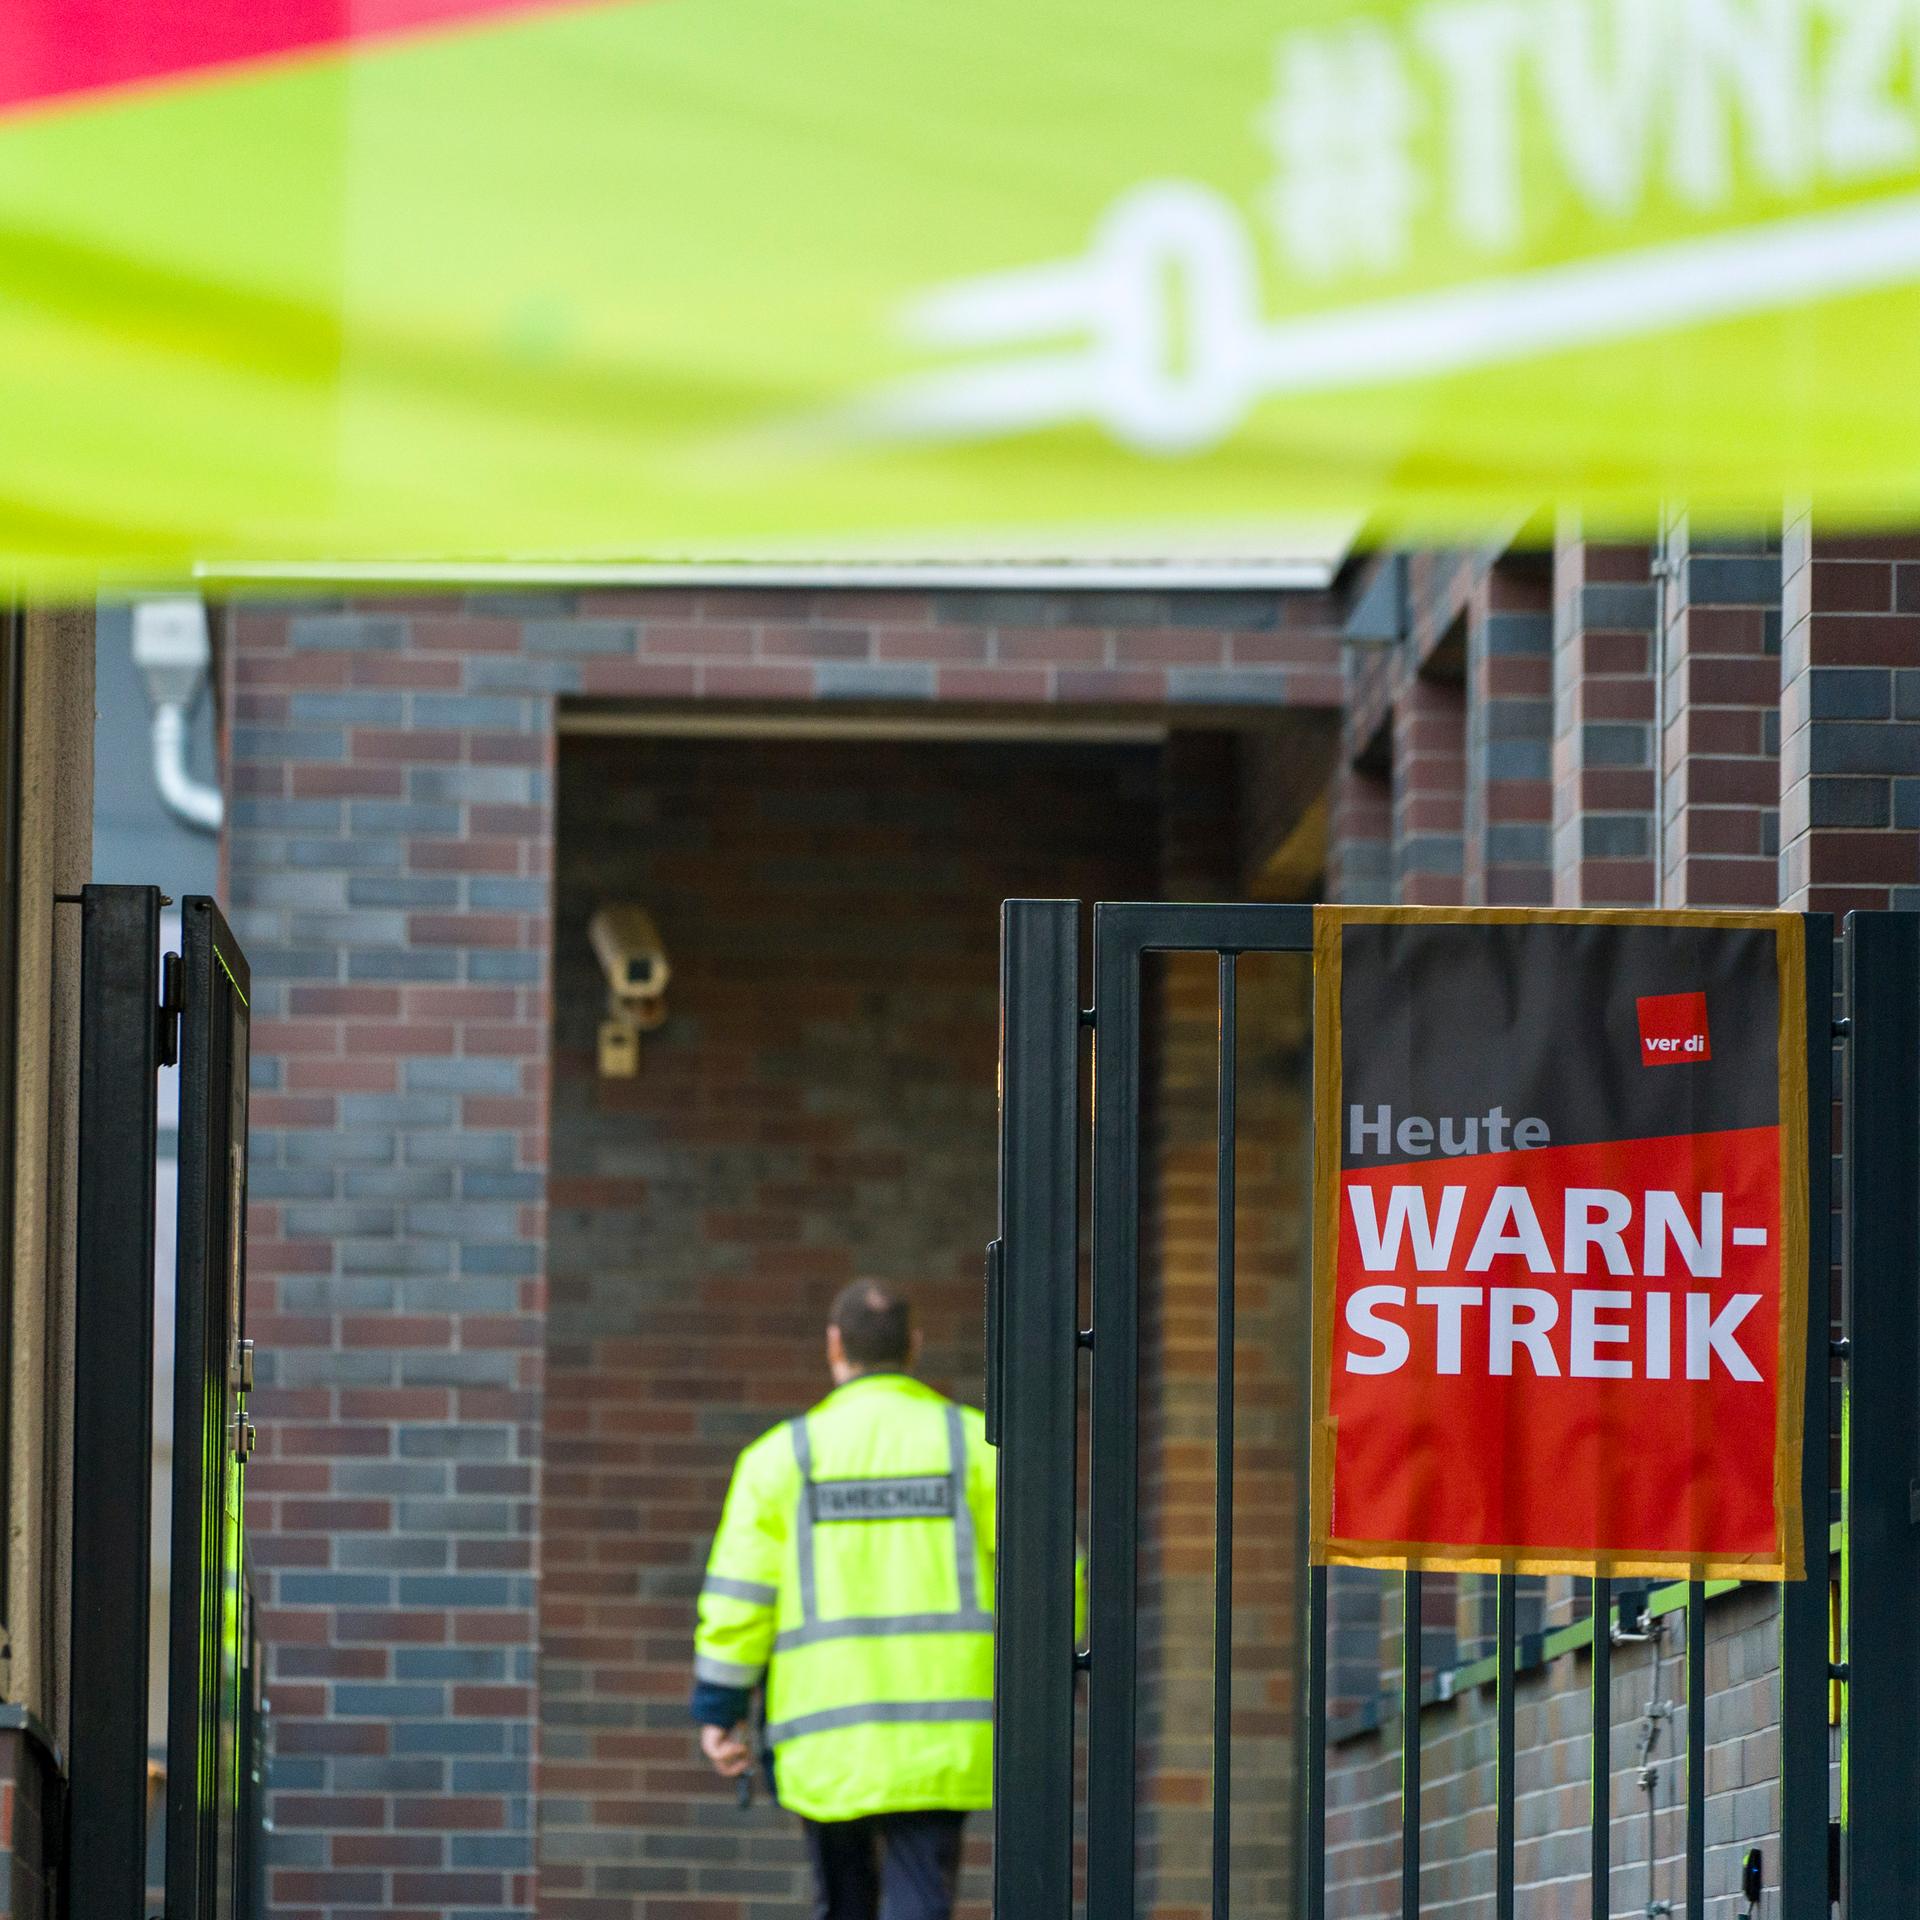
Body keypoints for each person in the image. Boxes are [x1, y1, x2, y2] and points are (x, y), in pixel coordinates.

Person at [691, 1280, 993, 1920]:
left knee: (845, 1903)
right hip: (940, 1734)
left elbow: (739, 1598)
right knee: (921, 1897)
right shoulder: (975, 1448)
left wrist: (721, 1707)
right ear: (915, 1346)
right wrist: (1069, 1666)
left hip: (826, 1737)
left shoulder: (781, 1460)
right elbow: (1058, 1568)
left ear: (834, 1346)